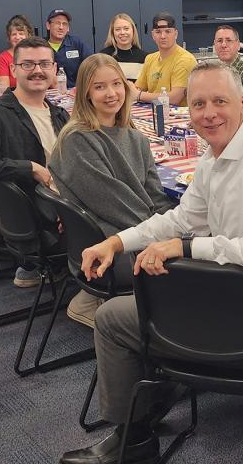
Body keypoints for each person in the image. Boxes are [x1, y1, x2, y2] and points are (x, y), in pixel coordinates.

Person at [58, 61, 243, 464]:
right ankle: (145, 414)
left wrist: (185, 248)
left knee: (112, 317)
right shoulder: (215, 157)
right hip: (241, 299)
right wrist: (116, 242)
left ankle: (137, 434)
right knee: (142, 297)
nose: (208, 112)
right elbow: (181, 219)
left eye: (220, 101)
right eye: (198, 103)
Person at [49, 54, 175, 326]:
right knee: (198, 259)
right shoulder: (77, 141)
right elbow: (116, 206)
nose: (111, 93)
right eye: (99, 87)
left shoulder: (136, 138)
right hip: (110, 248)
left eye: (117, 84)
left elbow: (155, 195)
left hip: (135, 233)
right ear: (85, 94)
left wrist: (172, 223)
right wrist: (168, 235)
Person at [0, 36, 70, 288]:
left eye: (44, 64)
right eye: (28, 64)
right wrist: (29, 168)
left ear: (54, 69)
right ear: (13, 69)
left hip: (59, 205)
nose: (38, 70)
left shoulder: (59, 114)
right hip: (38, 218)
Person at [132, 11, 197, 106]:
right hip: (152, 113)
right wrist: (133, 91)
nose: (163, 36)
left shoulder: (185, 60)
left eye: (168, 31)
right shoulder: (150, 58)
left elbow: (174, 98)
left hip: (178, 117)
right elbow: (137, 88)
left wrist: (139, 95)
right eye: (158, 32)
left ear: (176, 34)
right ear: (153, 35)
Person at [46, 9, 88, 89]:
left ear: (68, 28)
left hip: (74, 93)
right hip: (49, 94)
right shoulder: (41, 46)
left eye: (64, 24)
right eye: (57, 23)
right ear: (48, 25)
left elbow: (91, 65)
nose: (61, 27)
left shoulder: (77, 43)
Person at [99, 12, 146, 81]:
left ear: (133, 31)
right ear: (112, 33)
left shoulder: (145, 58)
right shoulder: (103, 57)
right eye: (118, 29)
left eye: (126, 29)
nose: (122, 33)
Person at [0, 15, 32, 89]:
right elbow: (4, 89)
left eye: (21, 33)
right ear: (9, 38)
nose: (17, 37)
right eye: (14, 34)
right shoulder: (2, 58)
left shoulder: (36, 55)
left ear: (28, 36)